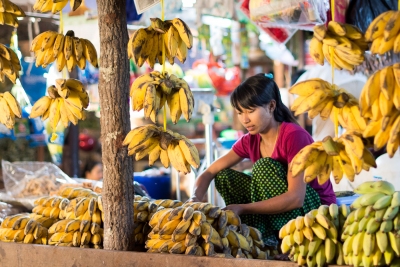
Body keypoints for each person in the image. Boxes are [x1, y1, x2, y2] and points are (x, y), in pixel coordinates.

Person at [188, 73, 336, 251]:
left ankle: (286, 242)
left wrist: (243, 208)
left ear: (271, 106)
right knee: (224, 176)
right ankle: (257, 238)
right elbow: (209, 172)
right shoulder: (250, 140)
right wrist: (194, 200)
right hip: (286, 207)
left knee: (263, 167)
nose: (245, 119)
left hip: (315, 210)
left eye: (251, 111)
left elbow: (296, 198)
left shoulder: (293, 136)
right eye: (240, 112)